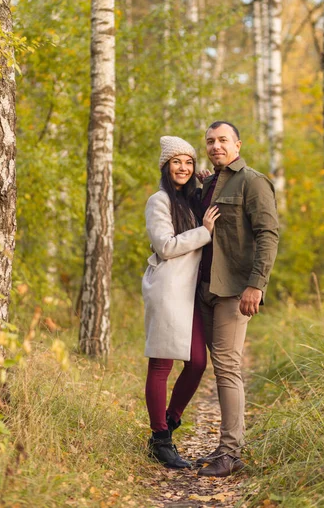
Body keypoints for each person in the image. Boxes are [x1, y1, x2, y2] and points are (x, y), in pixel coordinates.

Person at [195, 121, 279, 478]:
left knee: (228, 368)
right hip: (205, 289)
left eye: (223, 140)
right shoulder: (211, 183)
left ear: (238, 145)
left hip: (234, 289)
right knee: (220, 368)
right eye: (211, 141)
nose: (216, 146)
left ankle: (230, 453)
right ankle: (228, 444)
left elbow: (268, 234)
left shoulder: (253, 181)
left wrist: (256, 285)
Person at [142, 135, 220, 469]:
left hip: (190, 293)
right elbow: (165, 246)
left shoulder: (191, 199)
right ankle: (160, 440)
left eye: (188, 162)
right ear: (165, 166)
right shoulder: (158, 201)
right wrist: (204, 231)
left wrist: (207, 184)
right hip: (167, 289)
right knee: (162, 365)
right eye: (176, 162)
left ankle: (170, 421)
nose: (183, 168)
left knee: (198, 362)